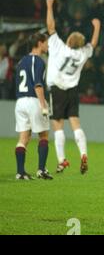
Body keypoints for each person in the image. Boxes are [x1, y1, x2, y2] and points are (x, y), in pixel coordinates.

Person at [46, 0, 101, 174]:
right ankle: (83, 153)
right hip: (72, 90)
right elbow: (92, 44)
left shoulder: (59, 48)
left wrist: (49, 6)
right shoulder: (83, 53)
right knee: (76, 123)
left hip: (57, 89)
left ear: (69, 41)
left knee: (58, 125)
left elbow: (51, 27)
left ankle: (62, 160)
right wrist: (97, 27)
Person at [14, 33, 52, 180]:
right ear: (40, 43)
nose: (47, 45)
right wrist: (43, 105)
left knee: (23, 138)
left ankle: (20, 172)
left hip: (20, 102)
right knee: (43, 135)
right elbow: (38, 84)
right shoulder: (39, 61)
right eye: (46, 42)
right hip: (33, 100)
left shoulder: (21, 61)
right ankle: (41, 170)